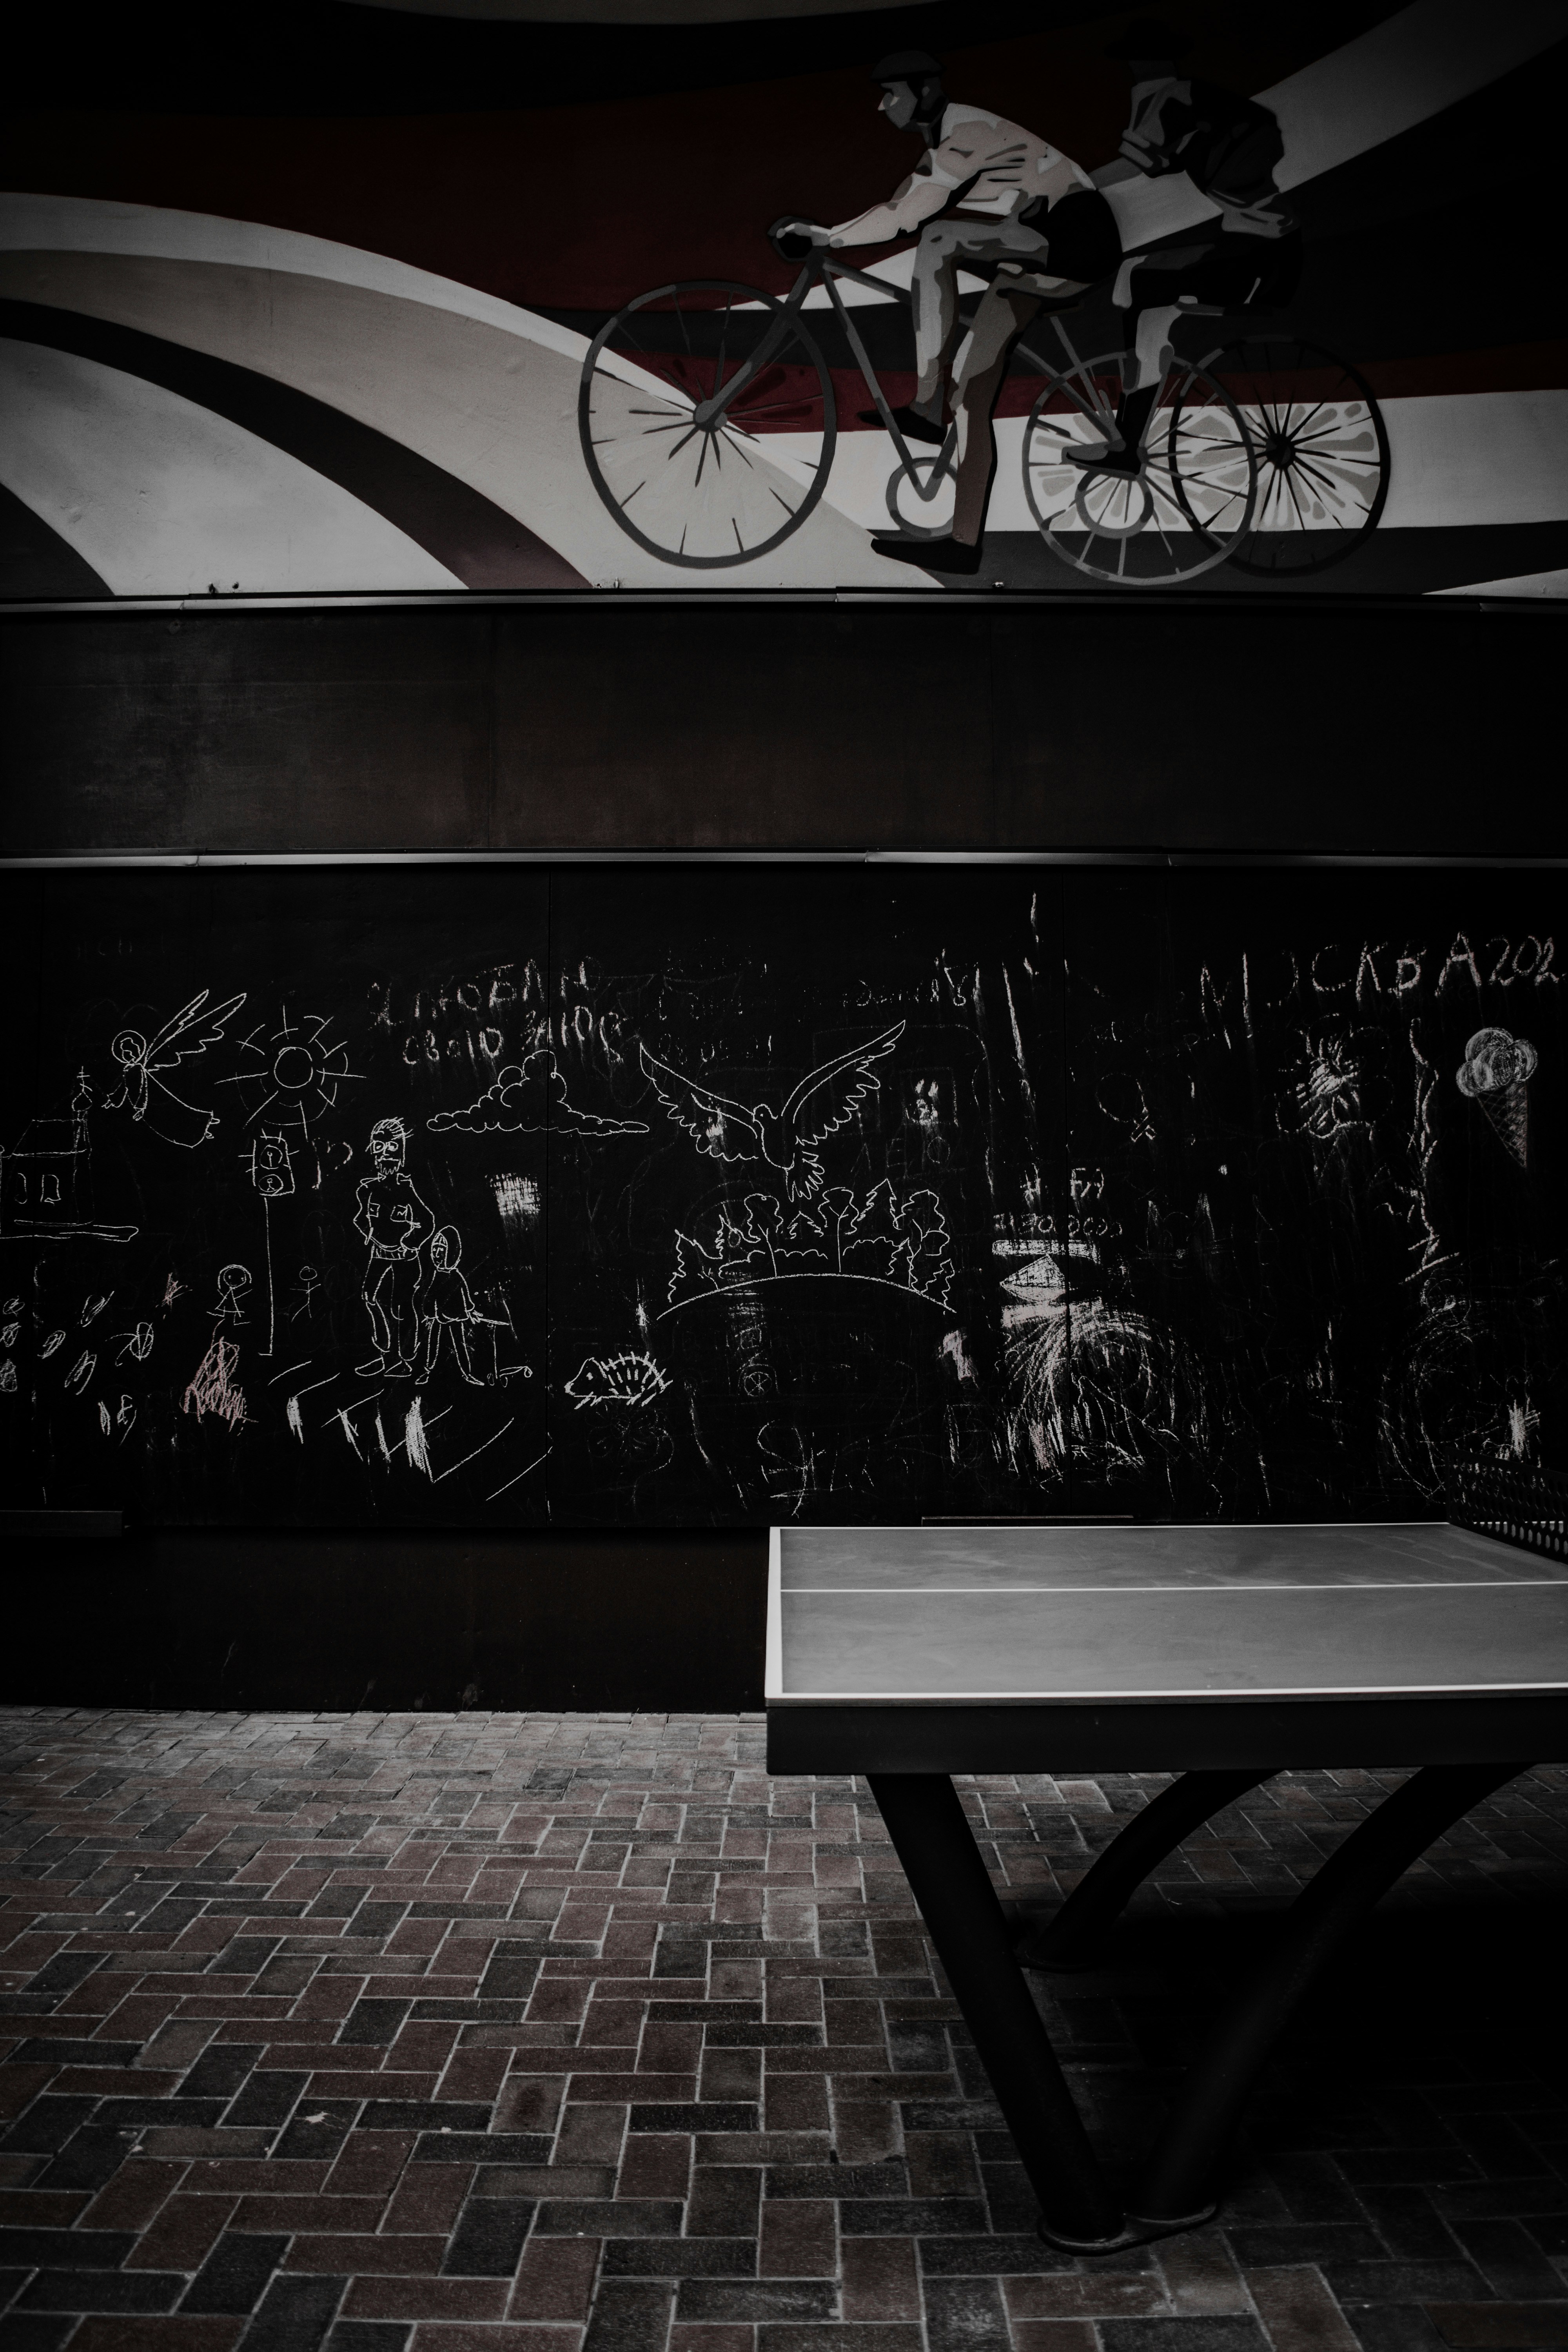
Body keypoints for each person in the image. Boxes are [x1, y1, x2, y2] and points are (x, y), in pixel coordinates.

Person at [774, 51, 1119, 574]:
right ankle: (962, 544)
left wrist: (826, 237)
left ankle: (926, 404)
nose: (882, 104)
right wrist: (834, 234)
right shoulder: (943, 140)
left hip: (1073, 237)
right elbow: (897, 205)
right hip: (1040, 250)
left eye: (893, 93)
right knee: (972, 396)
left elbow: (907, 217)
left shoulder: (967, 131)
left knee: (938, 238)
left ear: (927, 93)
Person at [1074, 19, 1301, 475]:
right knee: (1145, 299)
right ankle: (1129, 439)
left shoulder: (1165, 96)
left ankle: (1127, 443)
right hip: (1271, 257)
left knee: (1136, 285)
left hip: (1250, 262)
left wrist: (1071, 187)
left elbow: (1135, 166)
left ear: (1140, 63)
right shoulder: (1209, 103)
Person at [354, 1118, 433, 1377]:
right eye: (380, 1146)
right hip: (379, 1254)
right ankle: (384, 1351)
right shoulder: (368, 1190)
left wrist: (408, 1243)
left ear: (401, 1151)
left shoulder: (407, 1189)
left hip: (405, 1258)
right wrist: (371, 1235)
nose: (386, 1153)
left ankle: (406, 1359)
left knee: (401, 1305)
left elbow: (428, 1221)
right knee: (369, 1296)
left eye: (392, 1147)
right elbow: (359, 1219)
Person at [418, 1226, 501, 1386]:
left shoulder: (456, 1275)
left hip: (456, 1317)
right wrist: (430, 1313)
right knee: (434, 1344)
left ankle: (467, 1374)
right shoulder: (436, 1275)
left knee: (460, 1345)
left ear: (452, 1252)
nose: (437, 1254)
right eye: (435, 1249)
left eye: (442, 1250)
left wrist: (470, 1310)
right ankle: (427, 1372)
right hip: (440, 1318)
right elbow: (430, 1297)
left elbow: (465, 1294)